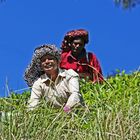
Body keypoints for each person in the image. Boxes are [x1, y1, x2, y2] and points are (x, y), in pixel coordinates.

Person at [24, 44, 84, 112]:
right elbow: (33, 102)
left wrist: (67, 109)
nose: (47, 62)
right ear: (40, 66)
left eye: (50, 58)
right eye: (43, 60)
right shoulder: (38, 83)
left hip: (76, 114)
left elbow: (75, 94)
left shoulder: (70, 74)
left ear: (57, 61)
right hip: (56, 118)